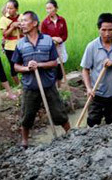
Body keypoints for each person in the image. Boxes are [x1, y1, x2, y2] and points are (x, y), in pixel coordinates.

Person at [11, 11, 70, 147]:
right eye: (21, 21)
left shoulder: (48, 40)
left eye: (25, 21)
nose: (22, 24)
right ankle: (24, 141)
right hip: (30, 86)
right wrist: (27, 68)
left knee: (59, 113)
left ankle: (70, 133)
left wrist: (40, 65)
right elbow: (16, 66)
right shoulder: (20, 44)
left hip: (48, 84)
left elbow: (54, 62)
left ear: (35, 23)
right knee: (27, 115)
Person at [80, 12, 112, 126]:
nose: (107, 33)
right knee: (93, 122)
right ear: (99, 29)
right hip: (96, 93)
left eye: (110, 30)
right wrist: (89, 88)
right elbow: (85, 70)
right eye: (103, 30)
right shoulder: (92, 46)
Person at [41, 0, 68, 87]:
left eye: (50, 8)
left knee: (61, 66)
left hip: (60, 46)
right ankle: (53, 86)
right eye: (47, 8)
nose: (48, 10)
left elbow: (65, 34)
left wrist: (60, 39)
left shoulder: (62, 20)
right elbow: (43, 37)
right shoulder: (45, 22)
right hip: (51, 47)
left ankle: (59, 86)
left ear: (56, 8)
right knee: (53, 67)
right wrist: (53, 39)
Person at [0, 0, 21, 86]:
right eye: (7, 8)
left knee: (25, 64)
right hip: (10, 46)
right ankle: (19, 85)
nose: (8, 10)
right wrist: (13, 26)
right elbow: (5, 34)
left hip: (21, 43)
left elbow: (27, 30)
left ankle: (27, 83)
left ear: (16, 9)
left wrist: (21, 26)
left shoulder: (21, 17)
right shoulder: (3, 19)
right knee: (13, 67)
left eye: (11, 8)